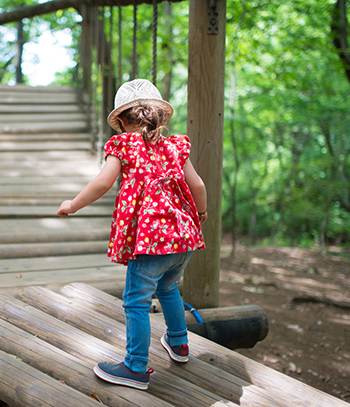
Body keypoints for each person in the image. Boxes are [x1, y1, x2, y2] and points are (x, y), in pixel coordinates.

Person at [57, 79, 207, 390]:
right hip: (184, 238)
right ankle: (179, 345)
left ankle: (135, 366)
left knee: (136, 301)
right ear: (161, 118)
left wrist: (72, 205)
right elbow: (199, 186)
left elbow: (102, 184)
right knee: (168, 289)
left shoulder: (123, 145)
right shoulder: (176, 146)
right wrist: (201, 213)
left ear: (122, 122)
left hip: (152, 243)